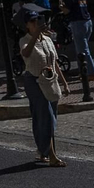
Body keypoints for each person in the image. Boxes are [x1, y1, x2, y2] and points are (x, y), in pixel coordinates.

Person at [19, 9, 68, 166]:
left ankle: (42, 150)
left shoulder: (47, 40)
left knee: (51, 116)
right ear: (27, 25)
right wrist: (35, 36)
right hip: (33, 80)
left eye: (37, 20)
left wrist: (64, 82)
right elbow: (26, 53)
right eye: (32, 21)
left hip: (49, 79)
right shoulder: (25, 40)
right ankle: (52, 155)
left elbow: (54, 63)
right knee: (45, 115)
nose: (36, 23)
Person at [62, 0, 94, 82]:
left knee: (82, 50)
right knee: (81, 49)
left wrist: (61, 6)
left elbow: (67, 11)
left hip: (77, 23)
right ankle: (83, 72)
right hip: (87, 21)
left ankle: (90, 72)